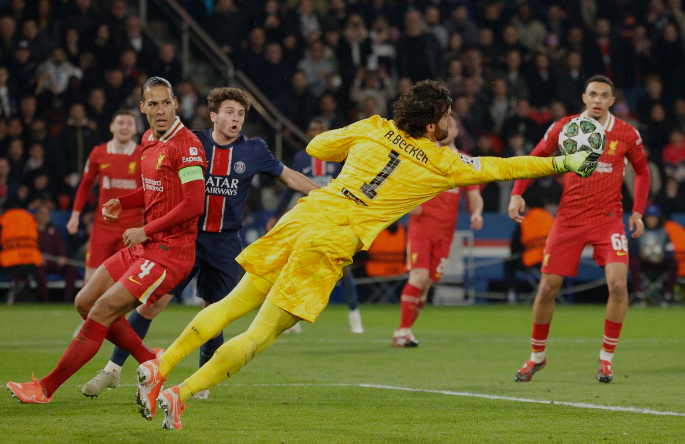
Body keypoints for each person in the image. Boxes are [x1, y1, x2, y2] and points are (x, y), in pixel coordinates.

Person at [134, 80, 597, 430]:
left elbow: (317, 147)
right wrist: (563, 162)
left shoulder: (374, 129)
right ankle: (182, 393)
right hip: (333, 238)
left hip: (306, 214)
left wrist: (357, 141)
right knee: (260, 335)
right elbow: (504, 167)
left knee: (231, 302)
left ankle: (160, 365)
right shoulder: (443, 163)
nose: (452, 120)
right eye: (449, 115)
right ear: (434, 124)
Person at [81, 87, 319, 399]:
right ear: (214, 116)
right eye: (230, 112)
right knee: (152, 304)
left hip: (225, 244)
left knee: (214, 312)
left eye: (241, 114)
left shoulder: (255, 150)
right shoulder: (193, 143)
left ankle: (201, 384)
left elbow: (288, 177)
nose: (236, 119)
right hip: (186, 239)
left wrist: (324, 195)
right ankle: (113, 369)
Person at [6, 76, 207, 404]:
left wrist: (147, 230)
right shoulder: (148, 140)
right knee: (84, 303)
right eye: (152, 103)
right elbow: (155, 189)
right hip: (145, 246)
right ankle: (150, 362)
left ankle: (44, 388)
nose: (160, 110)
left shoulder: (187, 145)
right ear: (143, 107)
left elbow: (193, 204)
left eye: (166, 102)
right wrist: (124, 201)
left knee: (100, 311)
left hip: (169, 252)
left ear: (176, 104)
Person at [508, 75, 650, 384]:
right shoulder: (565, 127)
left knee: (618, 284)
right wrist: (517, 192)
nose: (598, 100)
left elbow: (642, 172)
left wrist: (637, 212)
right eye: (593, 94)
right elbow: (534, 158)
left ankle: (606, 359)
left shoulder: (627, 134)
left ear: (612, 101)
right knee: (547, 288)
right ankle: (537, 356)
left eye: (604, 95)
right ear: (584, 97)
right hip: (569, 218)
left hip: (608, 218)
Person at [267, 118, 364, 334]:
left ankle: (354, 313)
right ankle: (293, 319)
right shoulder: (301, 157)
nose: (315, 133)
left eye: (319, 130)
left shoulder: (337, 155)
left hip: (334, 218)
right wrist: (275, 215)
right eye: (312, 129)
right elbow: (289, 187)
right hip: (309, 216)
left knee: (343, 267)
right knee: (297, 264)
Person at [393, 118, 483, 347]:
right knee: (419, 277)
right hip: (422, 226)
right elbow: (401, 181)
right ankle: (403, 331)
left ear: (456, 131)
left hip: (445, 232)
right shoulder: (423, 155)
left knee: (426, 286)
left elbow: (473, 194)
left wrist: (477, 213)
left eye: (452, 126)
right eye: (446, 125)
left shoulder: (464, 161)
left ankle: (404, 331)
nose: (448, 128)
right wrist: (409, 203)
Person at [66, 110, 143, 284]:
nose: (124, 127)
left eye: (129, 123)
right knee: (90, 280)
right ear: (112, 127)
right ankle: (87, 313)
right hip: (103, 226)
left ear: (135, 129)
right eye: (120, 123)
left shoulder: (142, 155)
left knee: (124, 282)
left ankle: (118, 313)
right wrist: (75, 216)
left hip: (131, 228)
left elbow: (150, 191)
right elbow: (85, 185)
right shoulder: (98, 153)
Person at [629, 205, 677, 305]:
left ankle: (669, 294)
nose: (651, 220)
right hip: (643, 263)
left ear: (658, 218)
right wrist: (641, 254)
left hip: (660, 262)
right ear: (644, 219)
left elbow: (670, 250)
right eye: (649, 217)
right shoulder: (638, 230)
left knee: (674, 262)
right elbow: (631, 249)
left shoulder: (664, 231)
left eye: (654, 218)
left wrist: (662, 257)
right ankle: (638, 294)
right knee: (633, 261)